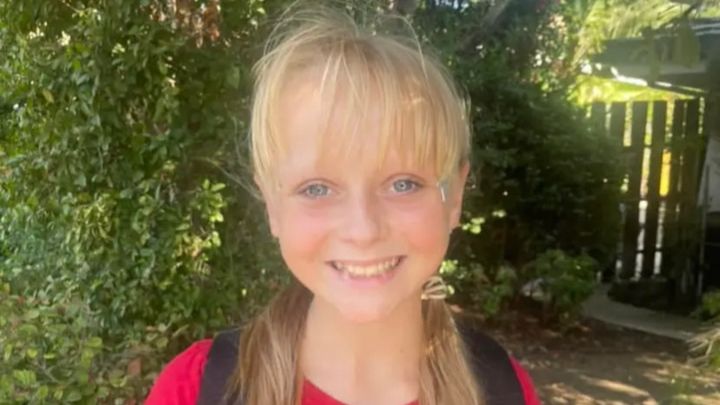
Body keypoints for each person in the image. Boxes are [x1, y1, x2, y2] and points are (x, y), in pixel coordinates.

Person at [146, 5, 540, 405]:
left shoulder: (503, 391)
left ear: (453, 196)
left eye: (403, 184)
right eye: (317, 189)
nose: (363, 229)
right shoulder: (194, 390)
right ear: (272, 205)